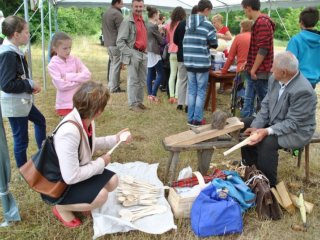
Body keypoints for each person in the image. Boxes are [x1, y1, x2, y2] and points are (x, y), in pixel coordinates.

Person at [44, 81, 132, 228]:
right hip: (59, 183)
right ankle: (61, 207)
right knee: (101, 196)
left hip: (75, 172)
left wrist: (115, 139)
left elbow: (87, 144)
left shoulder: (85, 119)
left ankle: (82, 203)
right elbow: (70, 176)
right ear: (99, 111)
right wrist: (101, 162)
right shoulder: (69, 132)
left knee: (113, 181)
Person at [241, 52, 317, 187]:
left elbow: (292, 123)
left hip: (298, 130)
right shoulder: (274, 79)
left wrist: (266, 131)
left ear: (284, 72)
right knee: (246, 126)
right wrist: (257, 126)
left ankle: (268, 186)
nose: (270, 70)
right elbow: (265, 105)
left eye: (273, 67)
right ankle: (252, 171)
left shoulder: (304, 91)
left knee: (267, 142)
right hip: (277, 120)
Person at [0, 16, 46, 168]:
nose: (29, 35)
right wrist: (29, 83)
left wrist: (29, 86)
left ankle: (43, 154)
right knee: (21, 139)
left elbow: (17, 77)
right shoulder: (7, 54)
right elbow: (6, 85)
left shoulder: (14, 50)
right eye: (26, 32)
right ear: (16, 34)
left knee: (40, 120)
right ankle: (24, 170)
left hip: (22, 101)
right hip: (15, 104)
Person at [183, 0, 218, 126]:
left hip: (189, 60)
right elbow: (214, 44)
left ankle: (190, 117)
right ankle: (197, 119)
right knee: (201, 91)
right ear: (207, 10)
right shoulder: (208, 25)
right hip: (202, 62)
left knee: (192, 90)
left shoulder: (187, 22)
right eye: (210, 11)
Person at [241, 0, 275, 118]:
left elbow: (263, 49)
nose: (245, 12)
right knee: (251, 99)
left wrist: (254, 69)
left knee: (265, 102)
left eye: (244, 9)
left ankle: (265, 126)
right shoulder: (259, 22)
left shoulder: (262, 22)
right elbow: (258, 47)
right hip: (256, 69)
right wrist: (249, 62)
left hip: (260, 71)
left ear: (249, 7)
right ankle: (248, 123)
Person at [48, 32, 91, 117]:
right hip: (64, 105)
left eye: (70, 48)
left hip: (79, 101)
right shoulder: (52, 65)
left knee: (81, 127)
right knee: (69, 128)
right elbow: (61, 86)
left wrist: (68, 76)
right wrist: (79, 81)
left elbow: (87, 75)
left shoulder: (75, 59)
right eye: (65, 48)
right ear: (55, 48)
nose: (68, 51)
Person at [117, 0, 148, 112]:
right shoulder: (127, 21)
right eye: (136, 6)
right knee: (133, 80)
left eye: (141, 6)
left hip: (144, 53)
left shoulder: (142, 20)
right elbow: (120, 41)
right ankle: (132, 104)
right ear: (132, 7)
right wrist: (131, 53)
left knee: (142, 80)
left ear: (143, 6)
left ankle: (139, 102)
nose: (139, 8)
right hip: (134, 53)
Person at [174, 5, 199, 112]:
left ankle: (180, 103)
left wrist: (181, 46)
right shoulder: (197, 25)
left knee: (181, 80)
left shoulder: (181, 23)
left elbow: (175, 40)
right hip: (192, 56)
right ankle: (188, 104)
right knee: (191, 81)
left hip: (181, 55)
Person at [287, 7, 320, 89]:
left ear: (301, 22)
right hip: (312, 82)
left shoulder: (296, 40)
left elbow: (287, 63)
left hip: (296, 83)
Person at [165, 7, 186, 104]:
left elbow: (168, 40)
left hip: (171, 51)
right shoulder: (182, 25)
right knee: (179, 75)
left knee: (172, 74)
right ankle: (177, 97)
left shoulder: (169, 25)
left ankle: (171, 96)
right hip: (179, 51)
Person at [102, 0, 125, 93]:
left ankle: (111, 85)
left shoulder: (106, 12)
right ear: (117, 2)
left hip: (108, 43)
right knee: (116, 66)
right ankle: (114, 88)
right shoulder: (117, 14)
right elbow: (123, 30)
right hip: (115, 44)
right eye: (121, 3)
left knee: (112, 65)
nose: (122, 5)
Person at [146, 6, 165, 103]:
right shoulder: (153, 26)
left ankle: (150, 94)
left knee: (149, 73)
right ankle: (153, 94)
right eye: (158, 14)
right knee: (161, 74)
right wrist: (161, 32)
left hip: (148, 50)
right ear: (154, 15)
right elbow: (161, 41)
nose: (158, 16)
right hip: (154, 51)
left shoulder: (147, 24)